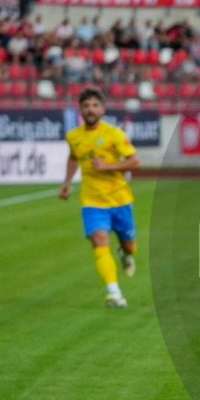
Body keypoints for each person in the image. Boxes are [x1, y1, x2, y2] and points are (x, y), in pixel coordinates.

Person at [58, 87, 141, 308]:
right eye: (86, 106)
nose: (90, 109)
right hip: (92, 202)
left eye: (95, 105)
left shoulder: (114, 134)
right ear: (81, 110)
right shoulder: (73, 136)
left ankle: (125, 254)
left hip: (120, 199)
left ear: (102, 109)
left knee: (130, 246)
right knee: (99, 240)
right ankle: (114, 293)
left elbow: (135, 162)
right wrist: (66, 182)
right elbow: (74, 158)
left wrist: (108, 166)